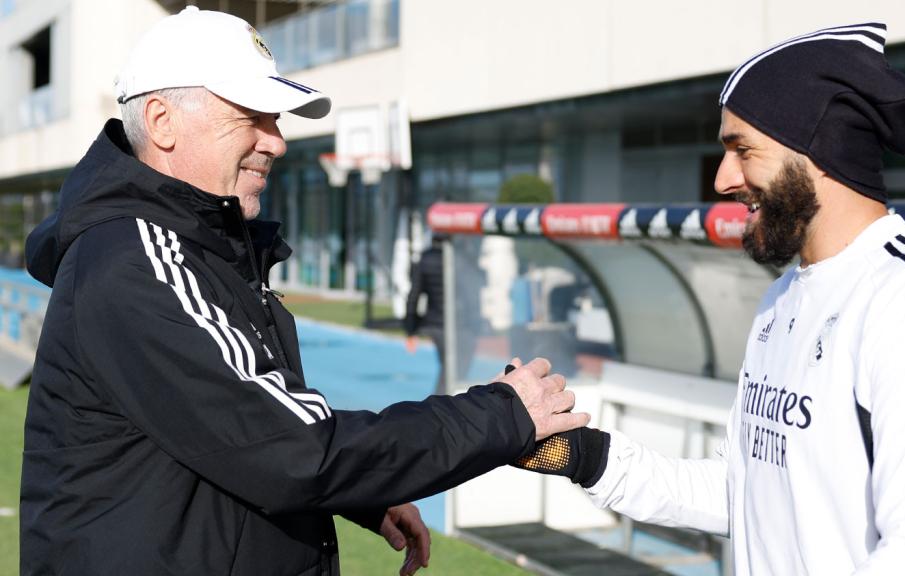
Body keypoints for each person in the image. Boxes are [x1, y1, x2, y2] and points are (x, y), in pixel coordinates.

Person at [20, 8, 588, 576]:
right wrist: (504, 414)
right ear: (163, 122)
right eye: (253, 116)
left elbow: (238, 433)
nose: (277, 141)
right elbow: (295, 450)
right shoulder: (138, 258)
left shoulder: (196, 248)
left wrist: (362, 496)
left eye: (276, 119)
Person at [514, 23, 905, 575]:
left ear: (818, 148)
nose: (723, 179)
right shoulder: (781, 299)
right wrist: (579, 454)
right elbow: (744, 489)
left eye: (742, 150)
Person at [404, 233, 448, 395]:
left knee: (448, 367)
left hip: (434, 322)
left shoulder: (425, 259)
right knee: (451, 369)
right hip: (455, 324)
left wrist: (410, 329)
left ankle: (442, 404)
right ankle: (440, 407)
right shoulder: (459, 257)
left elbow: (414, 295)